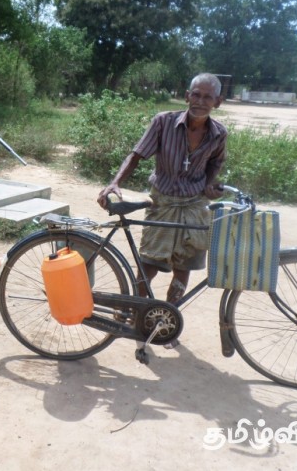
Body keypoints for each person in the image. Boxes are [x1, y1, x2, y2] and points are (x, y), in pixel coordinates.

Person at [97, 73, 228, 309]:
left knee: (184, 267)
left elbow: (216, 162)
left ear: (218, 102)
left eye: (208, 97)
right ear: (187, 96)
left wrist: (209, 183)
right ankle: (133, 310)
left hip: (195, 205)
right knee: (149, 263)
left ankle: (166, 321)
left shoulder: (219, 134)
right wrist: (115, 182)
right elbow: (136, 155)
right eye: (196, 95)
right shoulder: (164, 122)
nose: (200, 101)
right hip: (162, 201)